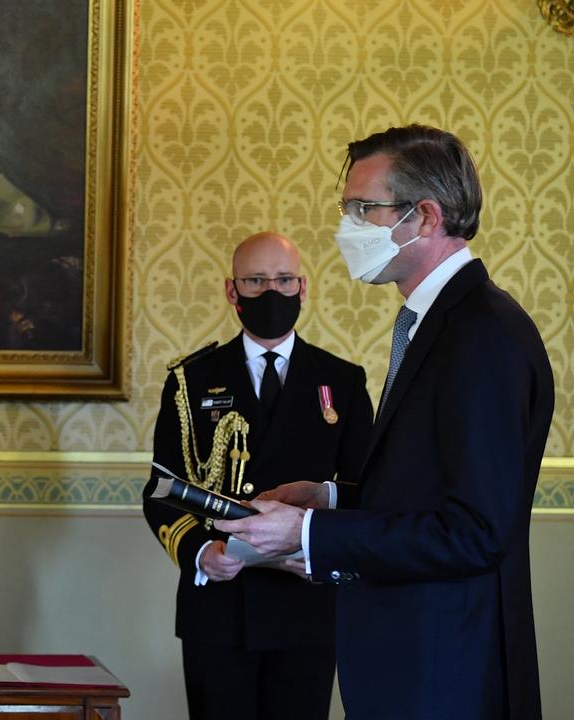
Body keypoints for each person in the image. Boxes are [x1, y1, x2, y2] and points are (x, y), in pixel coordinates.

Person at [217, 125, 554, 719]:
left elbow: (474, 530)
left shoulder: (482, 334)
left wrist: (307, 535)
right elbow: (427, 488)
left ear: (424, 216)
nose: (346, 226)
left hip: (446, 673)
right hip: (412, 663)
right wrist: (329, 499)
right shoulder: (440, 322)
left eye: (362, 209)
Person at [144, 232, 372, 719]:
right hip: (221, 605)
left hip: (307, 605)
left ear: (303, 287)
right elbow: (161, 489)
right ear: (232, 291)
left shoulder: (343, 381)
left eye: (284, 279)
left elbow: (364, 493)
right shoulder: (191, 379)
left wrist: (322, 551)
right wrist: (200, 553)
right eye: (256, 280)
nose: (272, 291)